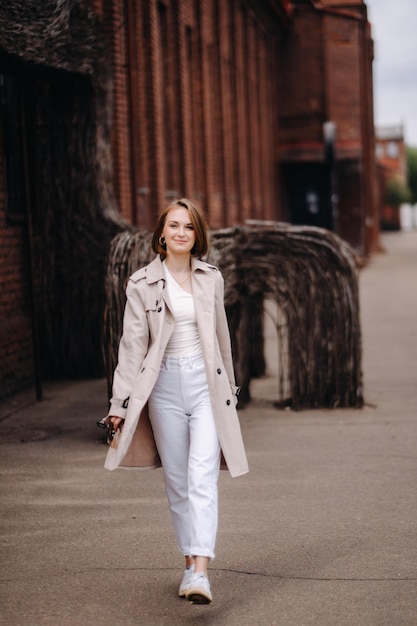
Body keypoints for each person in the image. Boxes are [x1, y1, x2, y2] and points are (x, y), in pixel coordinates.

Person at [103, 197, 249, 605]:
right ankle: (188, 564)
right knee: (178, 484)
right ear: (162, 234)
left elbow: (222, 339)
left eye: (189, 226)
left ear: (197, 234)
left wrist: (229, 392)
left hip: (205, 386)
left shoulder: (211, 279)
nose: (181, 232)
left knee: (203, 476)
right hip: (163, 388)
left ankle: (201, 573)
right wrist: (119, 404)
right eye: (174, 225)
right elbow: (131, 348)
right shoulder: (141, 284)